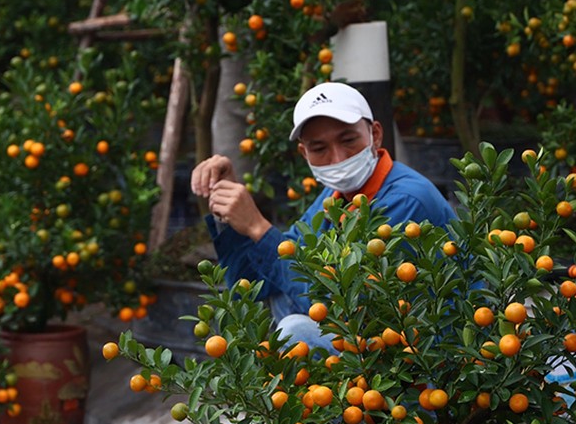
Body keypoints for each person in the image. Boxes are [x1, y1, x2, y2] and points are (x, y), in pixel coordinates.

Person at [191, 81, 454, 350]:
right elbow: (255, 284)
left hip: (425, 356)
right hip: (374, 346)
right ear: (304, 153)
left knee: (295, 332)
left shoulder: (406, 200)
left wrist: (258, 227)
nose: (337, 158)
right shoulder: (336, 196)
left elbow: (343, 311)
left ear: (375, 134)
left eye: (348, 140)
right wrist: (232, 214)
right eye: (319, 149)